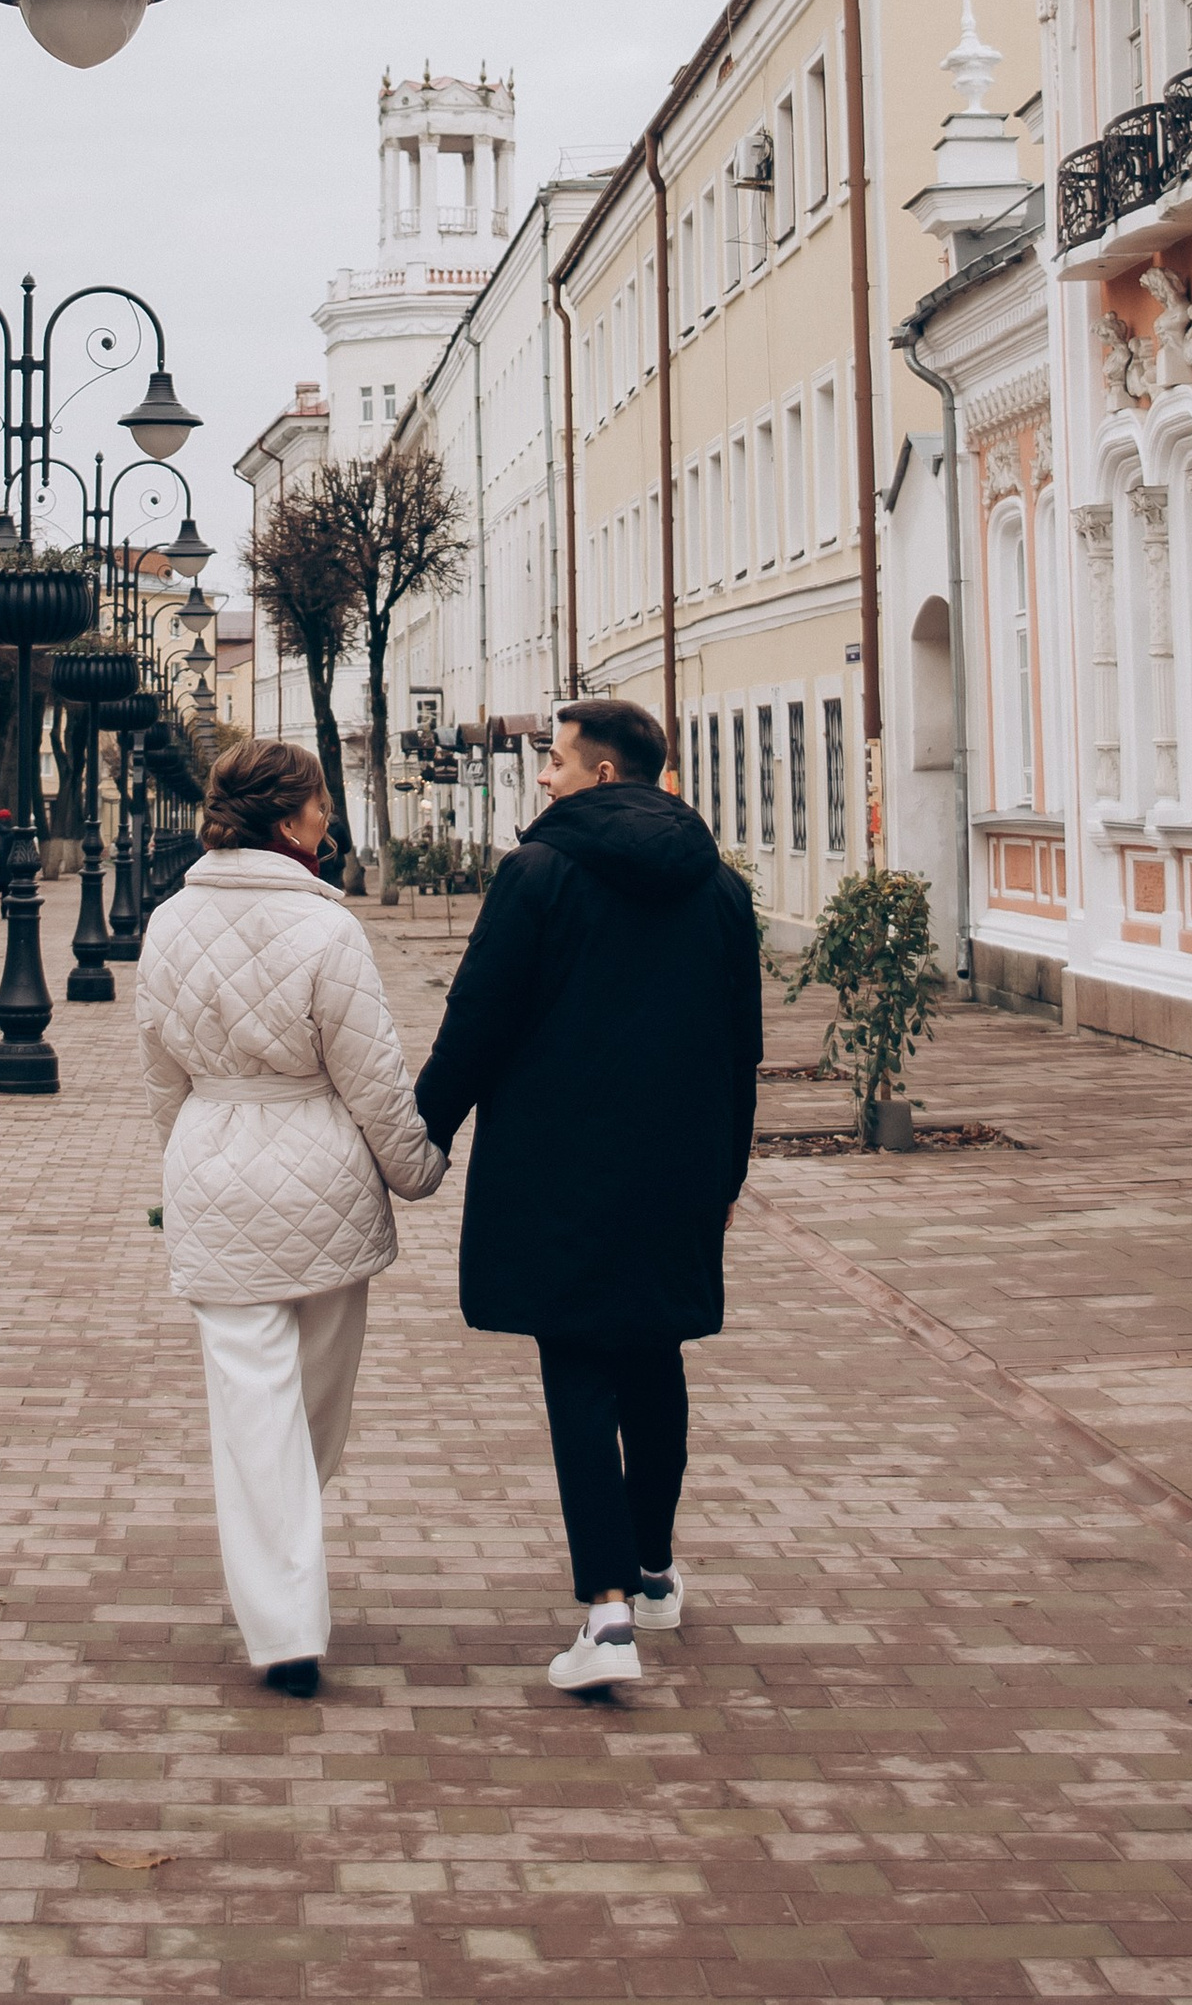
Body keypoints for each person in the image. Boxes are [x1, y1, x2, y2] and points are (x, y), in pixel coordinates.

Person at [415, 696, 761, 1696]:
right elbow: (741, 1046)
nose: (543, 776)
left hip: (558, 1164)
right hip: (678, 1164)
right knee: (653, 1353)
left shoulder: (537, 873)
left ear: (602, 773)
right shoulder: (720, 888)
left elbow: (478, 1018)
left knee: (577, 1361)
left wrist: (420, 1131)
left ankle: (606, 1614)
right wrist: (727, 1172)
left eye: (556, 761)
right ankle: (649, 1570)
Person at [137, 738, 446, 1699]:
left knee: (255, 1406)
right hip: (321, 1174)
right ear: (285, 818)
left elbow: (160, 1073)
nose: (328, 815)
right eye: (317, 801)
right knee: (312, 1404)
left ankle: (280, 1591)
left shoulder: (167, 921)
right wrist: (417, 1169)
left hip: (215, 1159)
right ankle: (286, 1621)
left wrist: (192, 1157)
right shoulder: (326, 928)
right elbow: (371, 1075)